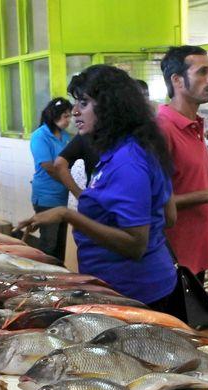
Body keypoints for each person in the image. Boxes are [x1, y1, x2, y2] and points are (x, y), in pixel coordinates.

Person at [16, 65, 180, 316]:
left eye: (84, 102)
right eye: (75, 102)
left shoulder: (127, 163)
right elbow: (169, 217)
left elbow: (136, 244)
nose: (75, 111)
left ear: (110, 106)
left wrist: (68, 215)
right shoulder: (127, 150)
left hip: (134, 293)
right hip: (126, 284)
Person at [157, 45, 208, 279]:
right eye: (202, 72)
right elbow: (155, 202)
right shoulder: (162, 128)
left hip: (198, 256)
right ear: (177, 80)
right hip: (174, 260)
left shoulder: (194, 125)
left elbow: (194, 185)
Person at [29, 97, 73, 260]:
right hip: (47, 197)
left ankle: (60, 276)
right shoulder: (40, 136)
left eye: (69, 116)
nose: (69, 120)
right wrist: (71, 184)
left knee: (61, 242)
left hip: (63, 197)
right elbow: (49, 167)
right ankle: (45, 278)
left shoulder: (66, 136)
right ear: (54, 116)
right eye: (65, 116)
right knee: (49, 243)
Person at [52, 131, 100, 199]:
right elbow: (59, 164)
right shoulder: (84, 134)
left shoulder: (80, 134)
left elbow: (59, 164)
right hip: (98, 198)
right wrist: (78, 194)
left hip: (95, 198)